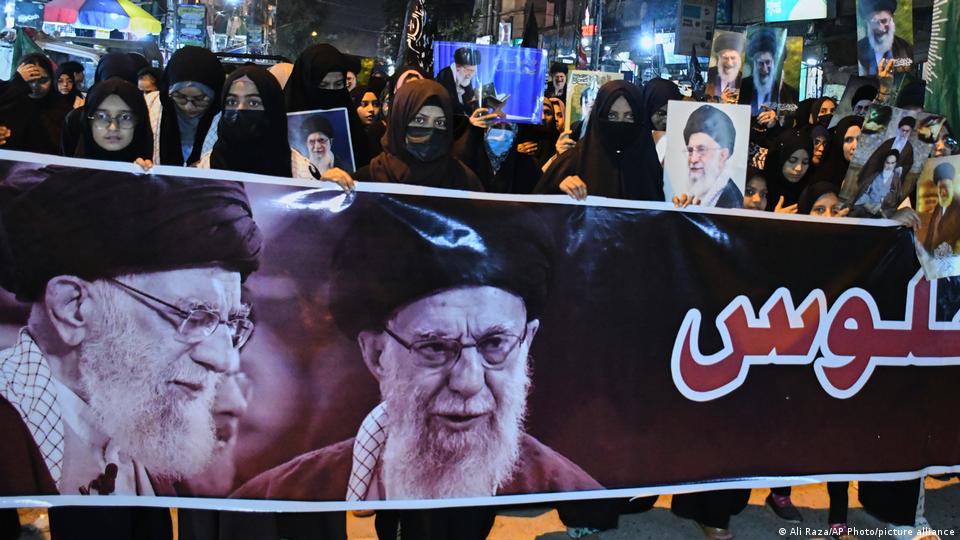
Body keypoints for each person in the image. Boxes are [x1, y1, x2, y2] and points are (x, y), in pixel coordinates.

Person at [233, 196, 601, 539]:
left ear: (527, 341)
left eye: (494, 345)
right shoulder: (276, 497)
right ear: (377, 354)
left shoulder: (575, 498)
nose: (468, 381)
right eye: (435, 347)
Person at [0, 167, 261, 537]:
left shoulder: (148, 442)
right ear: (74, 308)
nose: (220, 358)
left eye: (232, 323)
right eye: (191, 315)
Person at [535, 80, 663, 201]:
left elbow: (661, 207)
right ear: (598, 117)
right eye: (612, 115)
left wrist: (674, 204)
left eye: (629, 116)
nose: (620, 123)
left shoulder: (649, 166)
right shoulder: (573, 161)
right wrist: (559, 189)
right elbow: (536, 208)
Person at [351, 79, 483, 191]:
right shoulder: (364, 182)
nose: (430, 131)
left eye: (439, 122)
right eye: (419, 120)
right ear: (400, 121)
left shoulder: (464, 181)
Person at [196, 66, 319, 182]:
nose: (240, 109)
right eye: (232, 102)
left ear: (273, 109)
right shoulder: (202, 170)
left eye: (253, 103)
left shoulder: (303, 174)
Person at [284, 43, 370, 168]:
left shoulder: (353, 126)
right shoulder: (281, 124)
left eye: (338, 84)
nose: (331, 91)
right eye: (323, 85)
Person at [146, 46, 225, 166]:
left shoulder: (227, 118)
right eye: (180, 97)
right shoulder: (149, 106)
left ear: (216, 95)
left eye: (200, 99)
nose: (189, 107)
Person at [0, 53, 74, 155]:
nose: (35, 86)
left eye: (43, 80)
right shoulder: (10, 105)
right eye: (30, 80)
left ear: (52, 79)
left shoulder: (63, 110)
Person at [453, 110, 542, 193]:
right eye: (496, 127)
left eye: (508, 128)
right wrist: (470, 131)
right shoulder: (466, 162)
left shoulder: (529, 166)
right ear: (485, 131)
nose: (502, 135)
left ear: (515, 133)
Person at [73, 79, 153, 168]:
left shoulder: (150, 173)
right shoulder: (69, 172)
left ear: (140, 123)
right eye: (101, 116)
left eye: (125, 117)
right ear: (88, 122)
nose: (113, 127)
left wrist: (144, 174)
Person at [675, 104, 743, 208]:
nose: (693, 159)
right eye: (690, 150)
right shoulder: (697, 192)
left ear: (722, 156)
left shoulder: (732, 203)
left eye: (701, 150)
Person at [739, 28, 797, 116]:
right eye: (760, 63)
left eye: (768, 62)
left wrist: (775, 117)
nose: (765, 69)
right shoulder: (742, 87)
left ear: (774, 62)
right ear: (754, 63)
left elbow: (792, 117)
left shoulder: (791, 94)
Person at [857, 0, 914, 75]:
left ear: (892, 19)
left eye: (884, 21)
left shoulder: (906, 48)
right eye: (874, 22)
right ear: (867, 23)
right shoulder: (858, 50)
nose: (881, 28)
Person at [764, 130, 814, 212]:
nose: (799, 168)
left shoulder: (811, 193)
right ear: (779, 159)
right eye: (792, 160)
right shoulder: (760, 190)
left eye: (805, 162)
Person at [813, 115, 864, 188]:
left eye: (860, 139)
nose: (855, 146)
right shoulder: (823, 178)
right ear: (839, 142)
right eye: (849, 140)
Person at [851, 149, 903, 216]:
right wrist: (866, 204)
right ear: (884, 162)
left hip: (882, 211)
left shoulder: (896, 180)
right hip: (867, 206)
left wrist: (881, 206)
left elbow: (894, 200)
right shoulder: (875, 176)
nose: (889, 166)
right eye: (887, 163)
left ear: (895, 164)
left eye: (892, 163)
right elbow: (866, 192)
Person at [642, 78, 682, 164]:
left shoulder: (685, 141)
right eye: (661, 113)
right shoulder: (634, 142)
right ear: (648, 109)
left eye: (672, 112)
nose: (666, 120)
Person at [922, 163, 960, 254]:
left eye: (946, 187)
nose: (943, 192)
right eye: (940, 188)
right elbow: (930, 236)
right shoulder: (939, 206)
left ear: (952, 186)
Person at [435, 47, 481, 117]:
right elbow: (449, 106)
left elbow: (469, 106)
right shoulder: (445, 76)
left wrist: (476, 99)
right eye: (469, 70)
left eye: (473, 71)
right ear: (458, 67)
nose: (471, 75)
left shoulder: (465, 78)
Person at [707, 32, 745, 102]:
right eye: (725, 58)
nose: (729, 63)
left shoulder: (745, 81)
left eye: (733, 58)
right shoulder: (708, 74)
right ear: (719, 59)